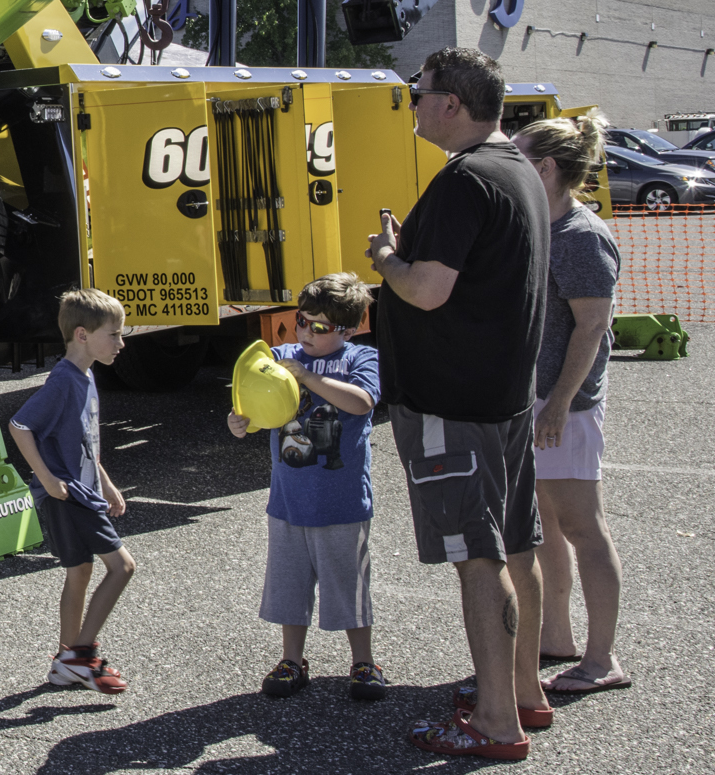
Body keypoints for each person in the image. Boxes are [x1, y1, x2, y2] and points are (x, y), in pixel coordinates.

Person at [367, 47, 551, 761]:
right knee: (517, 545)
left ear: (452, 102)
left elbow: (427, 289)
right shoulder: (518, 171)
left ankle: (496, 722)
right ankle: (524, 691)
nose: (414, 102)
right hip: (503, 399)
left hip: (455, 402)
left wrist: (386, 256)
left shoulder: (466, 179)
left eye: (421, 91)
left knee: (478, 557)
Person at [226, 273, 388, 702]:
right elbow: (254, 403)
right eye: (302, 321)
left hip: (341, 501)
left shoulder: (360, 358)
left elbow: (362, 402)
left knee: (348, 584)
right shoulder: (280, 355)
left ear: (348, 329)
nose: (305, 332)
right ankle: (292, 661)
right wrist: (240, 421)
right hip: (289, 500)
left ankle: (363, 662)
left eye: (319, 327)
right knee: (289, 585)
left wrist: (308, 378)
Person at [514, 113, 632, 696]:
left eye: (519, 156)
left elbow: (593, 330)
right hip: (536, 403)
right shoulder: (542, 226)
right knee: (546, 529)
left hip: (566, 409)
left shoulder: (583, 237)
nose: (511, 166)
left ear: (546, 168)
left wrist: (559, 405)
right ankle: (555, 639)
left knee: (584, 527)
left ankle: (601, 659)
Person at [8, 289, 135, 693]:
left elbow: (84, 441)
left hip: (84, 490)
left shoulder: (86, 374)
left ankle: (67, 661)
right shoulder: (64, 381)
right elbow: (20, 426)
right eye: (113, 334)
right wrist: (46, 479)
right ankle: (79, 656)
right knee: (123, 567)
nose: (121, 343)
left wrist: (108, 483)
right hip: (69, 496)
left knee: (79, 572)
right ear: (82, 335)